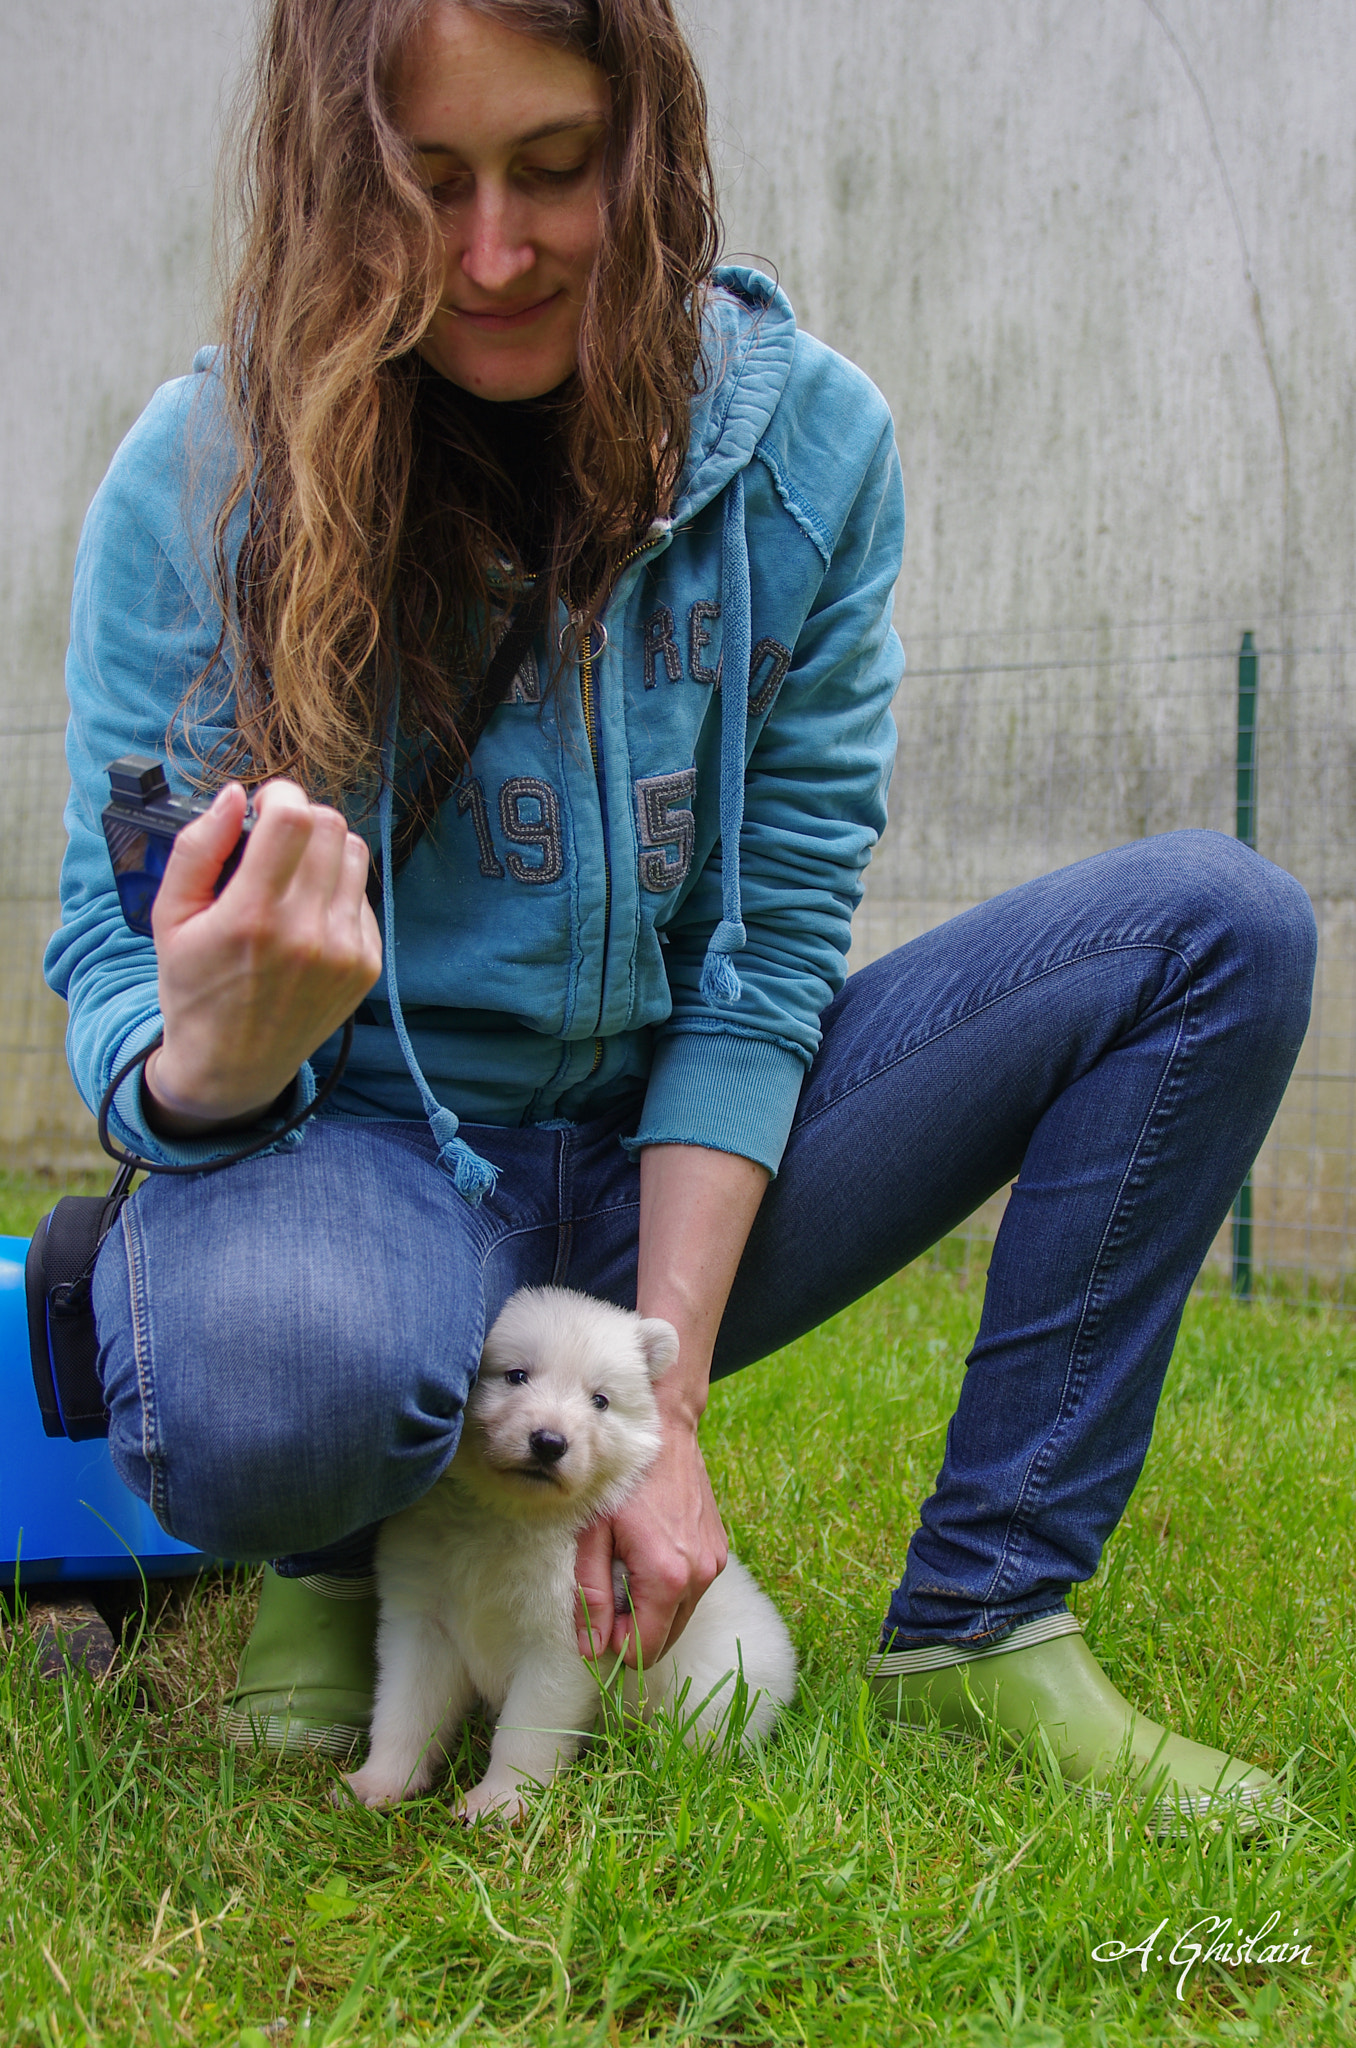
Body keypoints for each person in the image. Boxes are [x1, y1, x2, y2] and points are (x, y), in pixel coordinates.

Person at [47, 0, 1315, 1828]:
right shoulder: (203, 474)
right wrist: (216, 1068)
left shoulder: (809, 447)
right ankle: (342, 1549)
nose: (494, 253)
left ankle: (990, 1616)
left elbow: (779, 940)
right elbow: (110, 956)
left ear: (650, 154)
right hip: (370, 1158)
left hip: (676, 1152)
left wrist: (660, 1400)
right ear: (336, 183)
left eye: (555, 173)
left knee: (1216, 927)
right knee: (281, 1368)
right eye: (428, 184)